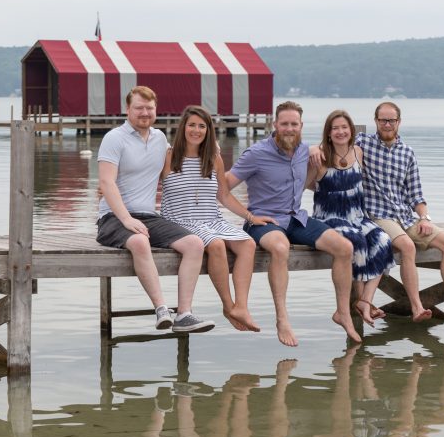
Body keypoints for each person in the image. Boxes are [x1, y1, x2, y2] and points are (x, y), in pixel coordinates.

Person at [311, 102, 444, 321]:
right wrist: (315, 149)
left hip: (406, 216)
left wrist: (424, 217)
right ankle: (417, 307)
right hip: (378, 215)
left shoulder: (407, 153)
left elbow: (416, 195)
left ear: (399, 122)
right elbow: (334, 140)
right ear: (376, 122)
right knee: (407, 247)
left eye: (391, 120)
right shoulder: (363, 143)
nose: (387, 124)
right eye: (382, 120)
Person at [225, 101, 361, 348]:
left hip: (297, 218)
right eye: (284, 124)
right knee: (280, 247)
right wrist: (248, 216)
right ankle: (283, 319)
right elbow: (222, 188)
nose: (289, 129)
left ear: (301, 126)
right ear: (275, 124)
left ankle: (343, 312)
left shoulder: (305, 151)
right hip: (263, 221)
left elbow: (336, 148)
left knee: (345, 247)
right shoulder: (256, 153)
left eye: (294, 124)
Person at [96, 86, 214, 334]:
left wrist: (210, 157)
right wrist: (126, 218)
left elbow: (180, 162)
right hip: (113, 217)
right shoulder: (114, 138)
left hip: (148, 216)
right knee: (140, 242)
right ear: (127, 109)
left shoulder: (160, 139)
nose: (144, 113)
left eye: (149, 108)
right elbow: (106, 182)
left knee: (194, 244)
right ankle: (161, 309)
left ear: (156, 110)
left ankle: (184, 314)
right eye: (139, 107)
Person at [159, 105, 274, 332]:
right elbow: (142, 179)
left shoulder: (213, 158)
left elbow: (223, 194)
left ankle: (241, 306)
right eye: (191, 125)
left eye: (202, 126)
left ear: (208, 130)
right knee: (217, 245)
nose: (196, 130)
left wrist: (251, 217)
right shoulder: (168, 156)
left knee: (248, 244)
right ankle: (228, 305)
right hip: (180, 221)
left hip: (211, 218)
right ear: (183, 127)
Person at [306, 109, 395, 328]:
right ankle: (355, 302)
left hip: (357, 215)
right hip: (330, 216)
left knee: (383, 240)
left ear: (351, 130)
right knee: (356, 242)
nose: (340, 132)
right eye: (335, 128)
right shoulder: (320, 156)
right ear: (328, 133)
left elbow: (382, 136)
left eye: (344, 127)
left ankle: (365, 301)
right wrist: (311, 150)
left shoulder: (358, 152)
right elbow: (305, 184)